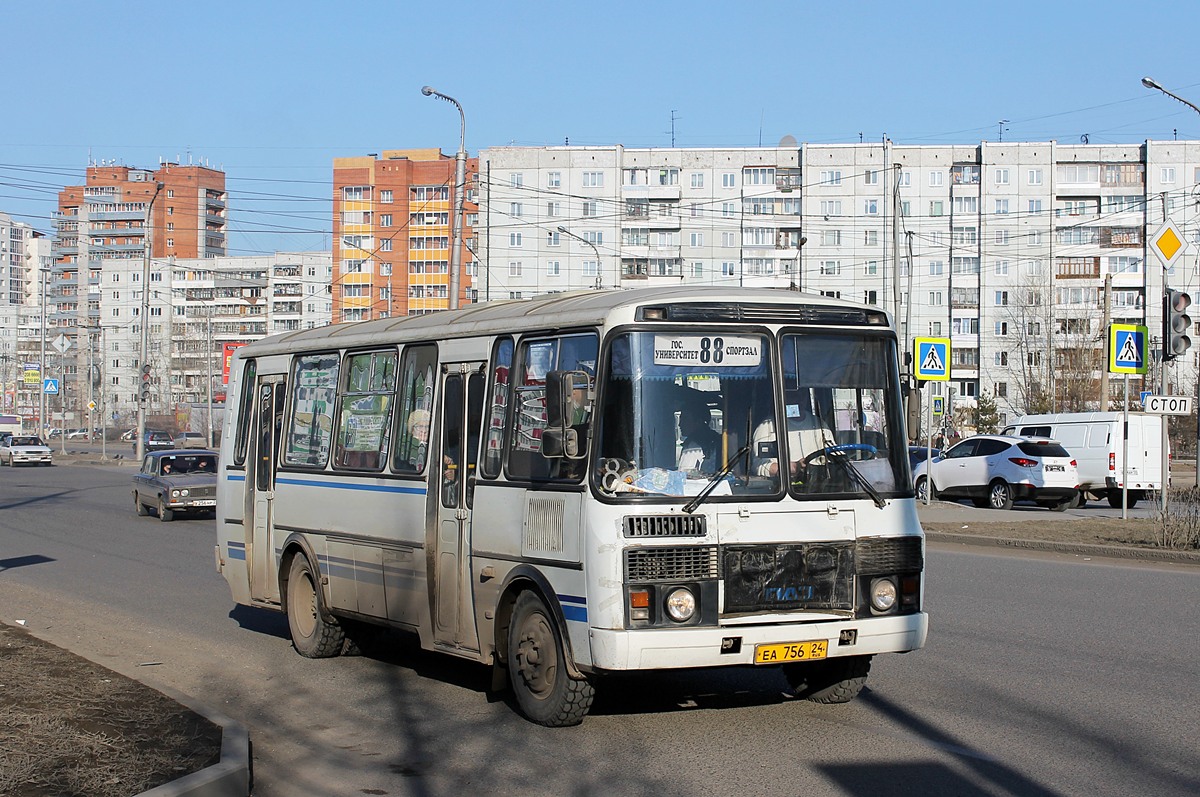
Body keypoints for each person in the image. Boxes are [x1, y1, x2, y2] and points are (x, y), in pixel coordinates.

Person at [752, 395, 834, 482]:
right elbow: (758, 466)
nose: (799, 400)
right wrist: (794, 467)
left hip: (820, 488)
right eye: (793, 396)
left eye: (802, 394)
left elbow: (834, 453)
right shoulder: (767, 427)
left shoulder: (819, 425)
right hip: (783, 489)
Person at [678, 405, 720, 474]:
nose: (680, 424)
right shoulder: (716, 439)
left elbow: (683, 474)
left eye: (685, 419)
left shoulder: (693, 446)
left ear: (699, 422)